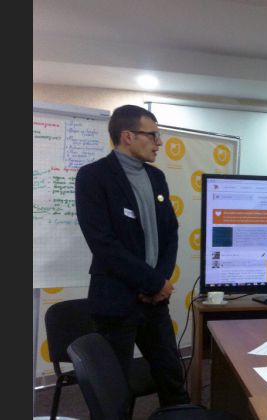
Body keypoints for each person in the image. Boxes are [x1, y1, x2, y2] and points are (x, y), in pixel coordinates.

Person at [75, 104, 190, 406]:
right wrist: (153, 282)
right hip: (116, 299)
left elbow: (170, 233)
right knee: (114, 388)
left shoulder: (157, 177)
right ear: (127, 136)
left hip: (154, 300)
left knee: (171, 375)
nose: (159, 143)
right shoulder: (93, 176)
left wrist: (159, 282)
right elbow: (103, 243)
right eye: (152, 135)